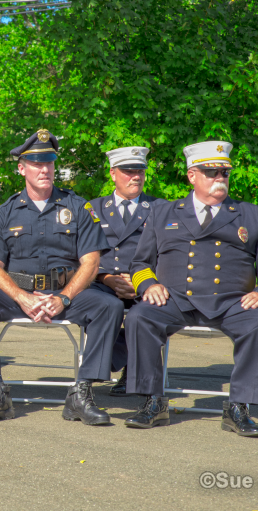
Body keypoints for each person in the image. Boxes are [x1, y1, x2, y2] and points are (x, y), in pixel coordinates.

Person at [124, 141, 258, 437]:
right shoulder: (163, 213)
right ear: (192, 176)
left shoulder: (251, 215)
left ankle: (239, 407)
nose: (219, 178)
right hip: (175, 300)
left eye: (224, 172)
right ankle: (153, 402)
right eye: (211, 172)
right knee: (139, 318)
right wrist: (148, 285)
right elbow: (140, 263)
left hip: (231, 303)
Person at [0, 129, 124, 425]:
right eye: (36, 163)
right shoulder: (5, 213)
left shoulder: (77, 207)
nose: (44, 169)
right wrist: (22, 298)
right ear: (21, 168)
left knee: (109, 306)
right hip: (19, 296)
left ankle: (82, 392)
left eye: (49, 162)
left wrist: (63, 298)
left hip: (66, 294)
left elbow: (91, 262)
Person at [87, 147, 166, 396]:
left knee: (147, 314)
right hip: (103, 282)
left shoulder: (161, 208)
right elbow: (80, 254)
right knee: (95, 306)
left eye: (140, 171)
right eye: (128, 171)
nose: (136, 176)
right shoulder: (93, 208)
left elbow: (169, 254)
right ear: (112, 173)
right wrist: (106, 278)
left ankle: (132, 369)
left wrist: (142, 281)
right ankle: (95, 373)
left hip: (145, 283)